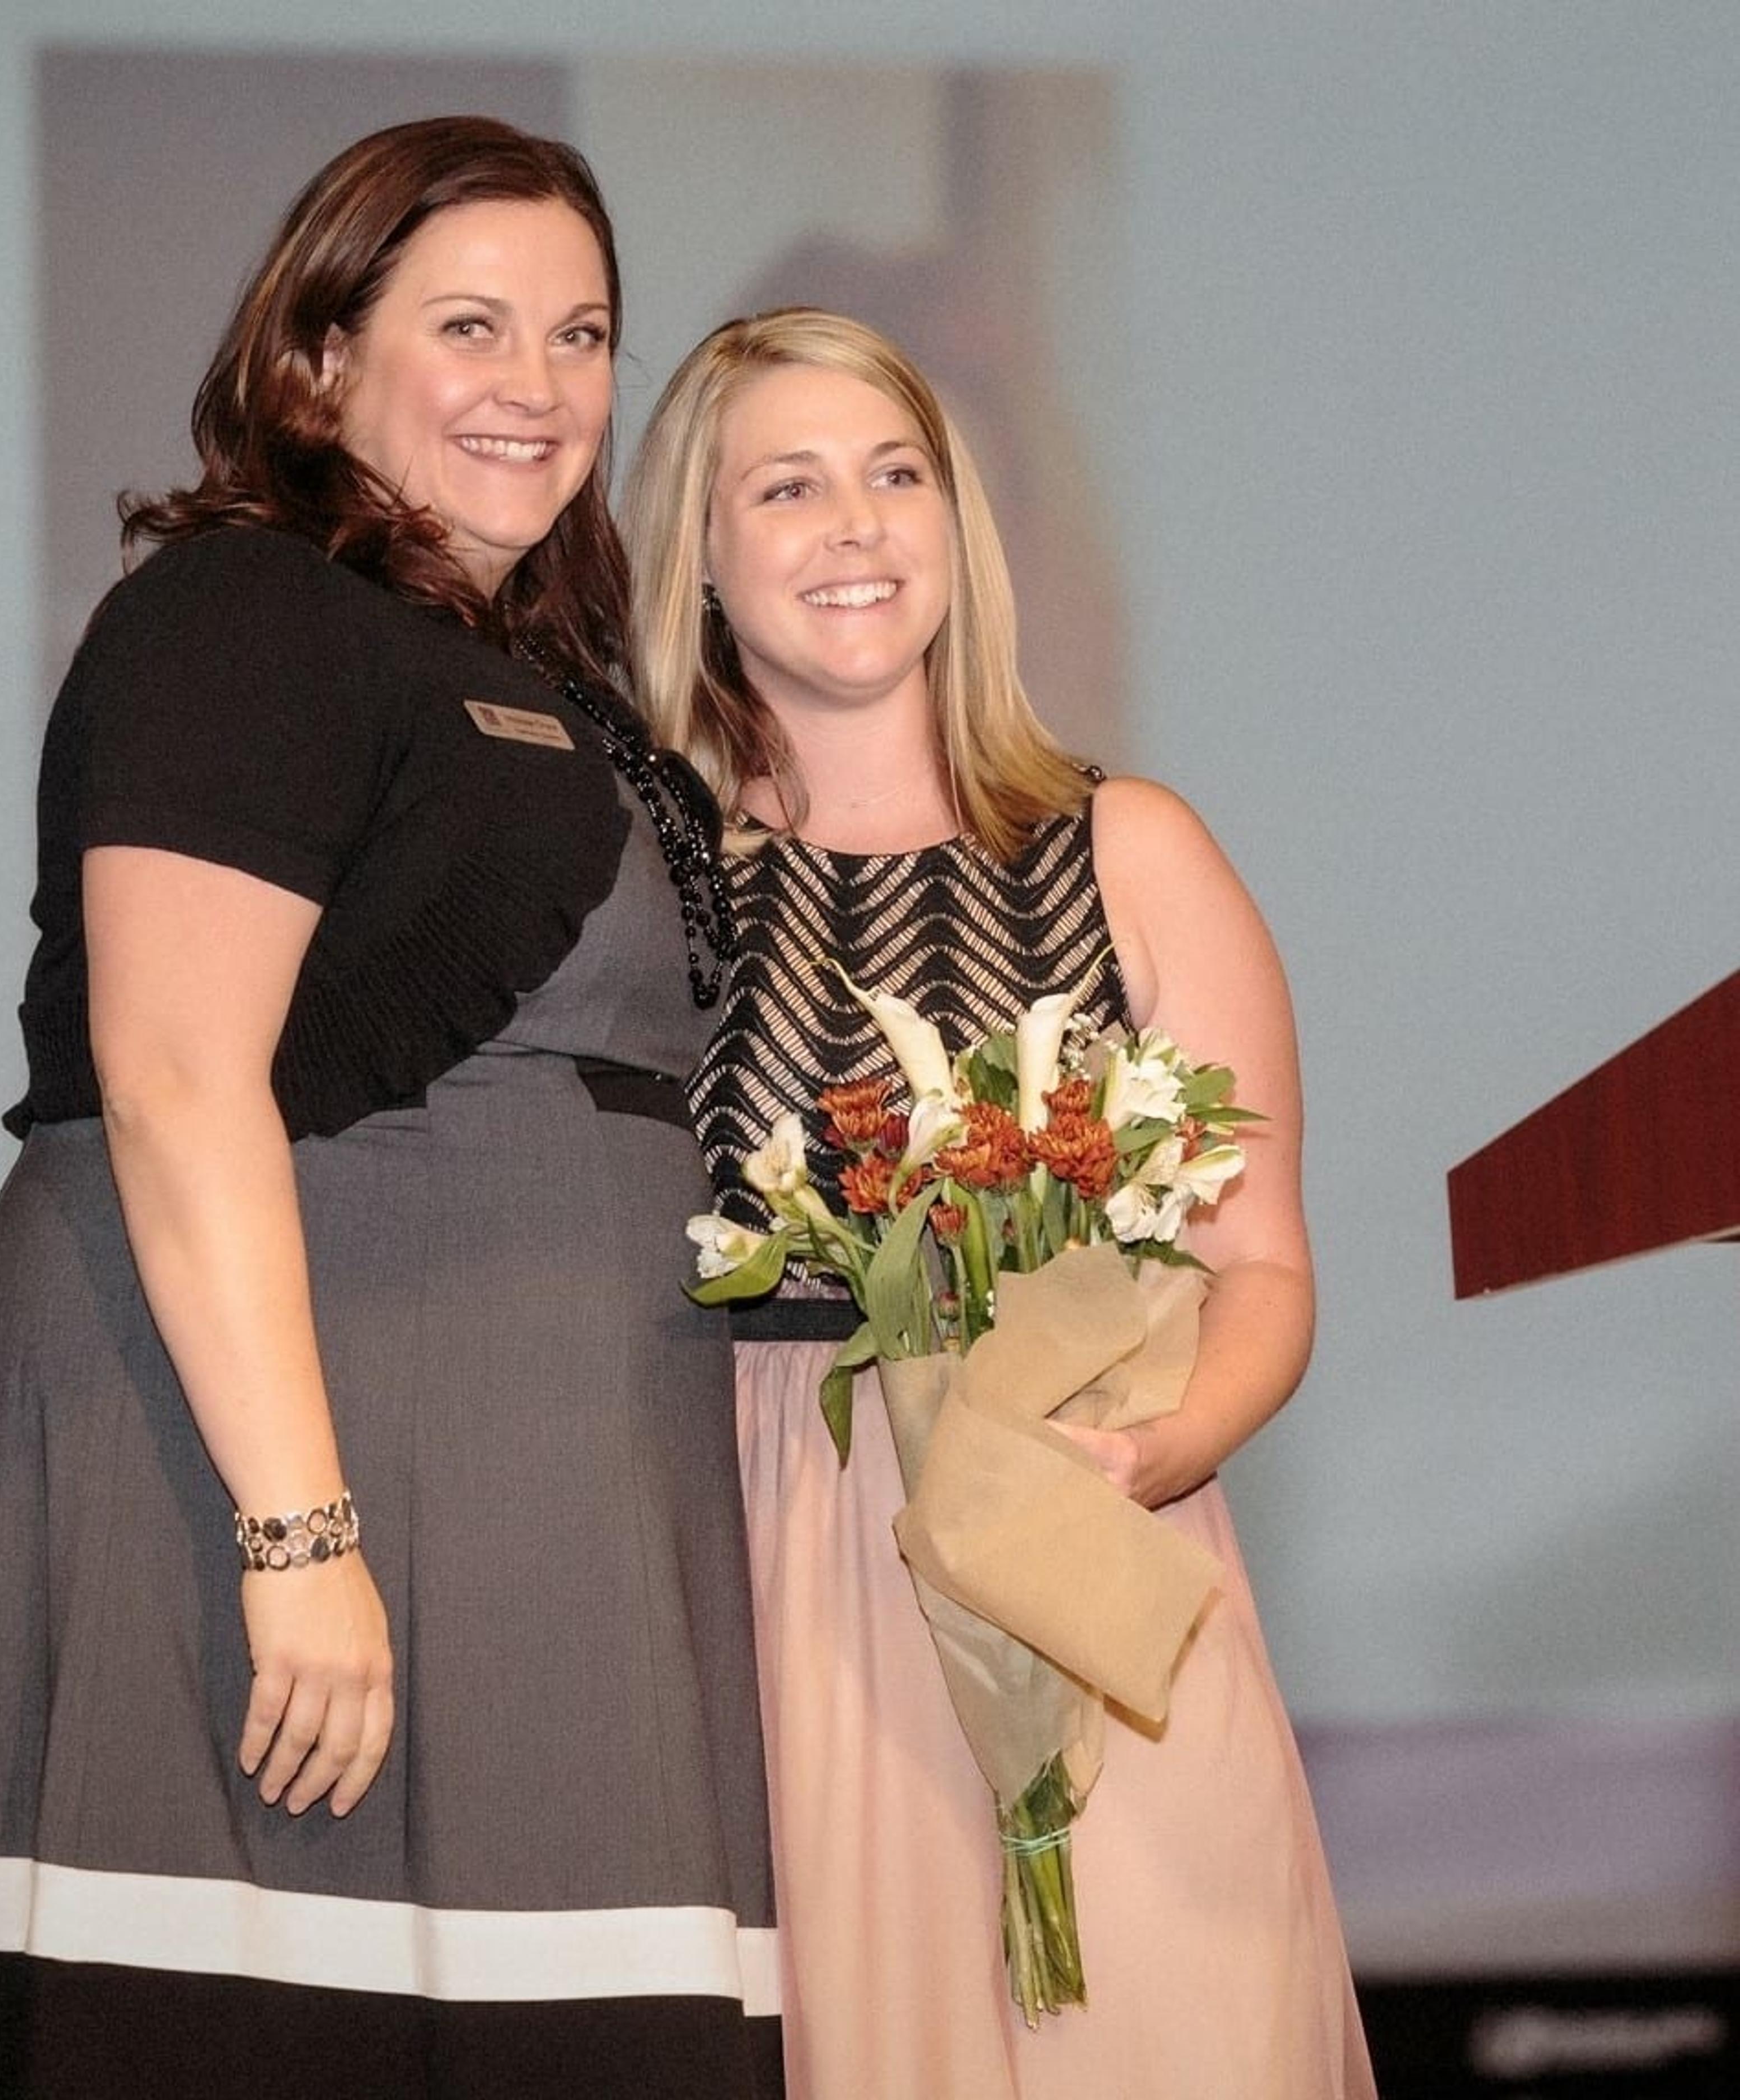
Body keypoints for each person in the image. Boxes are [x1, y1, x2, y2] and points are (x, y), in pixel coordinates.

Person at [0, 118, 779, 2098]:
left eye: (582, 334)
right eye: (471, 325)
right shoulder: (246, 611)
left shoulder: (530, 669)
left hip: (545, 1506)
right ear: (317, 358)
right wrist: (298, 1534)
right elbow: (176, 1074)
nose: (539, 388)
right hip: (287, 1477)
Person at [623, 307, 1375, 2100]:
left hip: (1095, 1566)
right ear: (701, 560)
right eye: (788, 487)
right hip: (779, 1591)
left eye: (898, 476)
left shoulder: (1136, 848)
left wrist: (1164, 1446)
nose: (859, 525)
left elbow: (1260, 1261)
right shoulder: (641, 880)